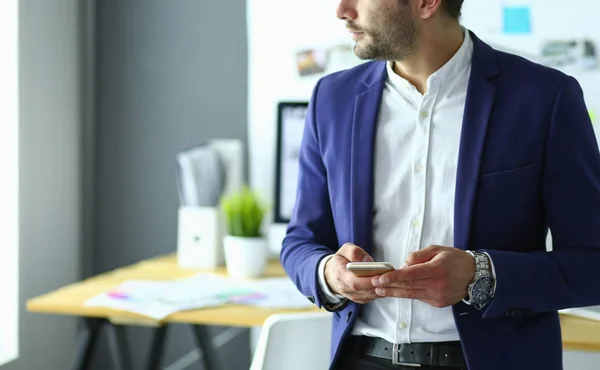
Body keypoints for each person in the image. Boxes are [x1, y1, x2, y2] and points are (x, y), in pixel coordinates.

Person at [280, 0, 600, 369]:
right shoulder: (332, 99)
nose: (342, 10)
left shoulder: (544, 97)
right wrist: (328, 274)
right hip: (360, 357)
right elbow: (301, 240)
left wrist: (481, 275)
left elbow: (591, 262)